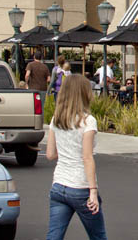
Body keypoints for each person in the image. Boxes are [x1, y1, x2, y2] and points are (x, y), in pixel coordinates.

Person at [45, 74, 107, 240]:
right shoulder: (88, 121)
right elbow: (87, 157)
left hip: (59, 185)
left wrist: (67, 148)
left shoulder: (56, 119)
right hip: (80, 187)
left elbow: (50, 154)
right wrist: (93, 191)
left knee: (54, 235)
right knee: (98, 236)